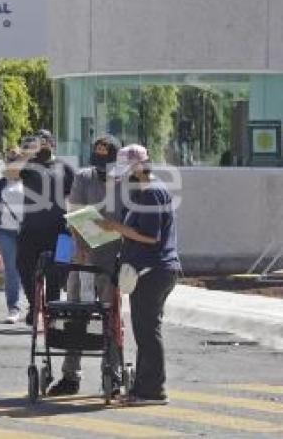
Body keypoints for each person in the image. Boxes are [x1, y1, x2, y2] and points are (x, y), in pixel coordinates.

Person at [97, 144, 181, 406]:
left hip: (154, 270)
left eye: (128, 172)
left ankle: (152, 391)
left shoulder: (151, 193)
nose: (125, 178)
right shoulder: (144, 192)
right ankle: (143, 389)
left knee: (147, 331)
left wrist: (116, 227)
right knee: (144, 331)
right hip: (150, 270)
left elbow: (151, 237)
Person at [48, 134, 124, 397]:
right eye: (98, 163)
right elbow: (75, 214)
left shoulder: (126, 183)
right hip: (82, 258)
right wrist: (79, 247)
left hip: (112, 260)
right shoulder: (83, 177)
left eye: (107, 164)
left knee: (110, 319)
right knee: (75, 316)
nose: (102, 170)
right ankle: (70, 376)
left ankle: (112, 374)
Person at [17, 130, 75, 325]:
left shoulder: (64, 167)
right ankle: (34, 305)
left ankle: (51, 311)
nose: (42, 143)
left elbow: (74, 196)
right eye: (38, 140)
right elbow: (11, 174)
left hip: (58, 228)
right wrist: (27, 152)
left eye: (45, 140)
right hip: (30, 227)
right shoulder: (29, 165)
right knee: (24, 267)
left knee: (56, 272)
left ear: (53, 143)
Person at [0, 147, 25, 324]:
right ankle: (13, 307)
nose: (11, 163)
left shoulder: (30, 181)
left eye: (14, 160)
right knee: (11, 270)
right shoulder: (1, 183)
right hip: (4, 231)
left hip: (26, 232)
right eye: (8, 160)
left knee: (28, 269)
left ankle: (34, 305)